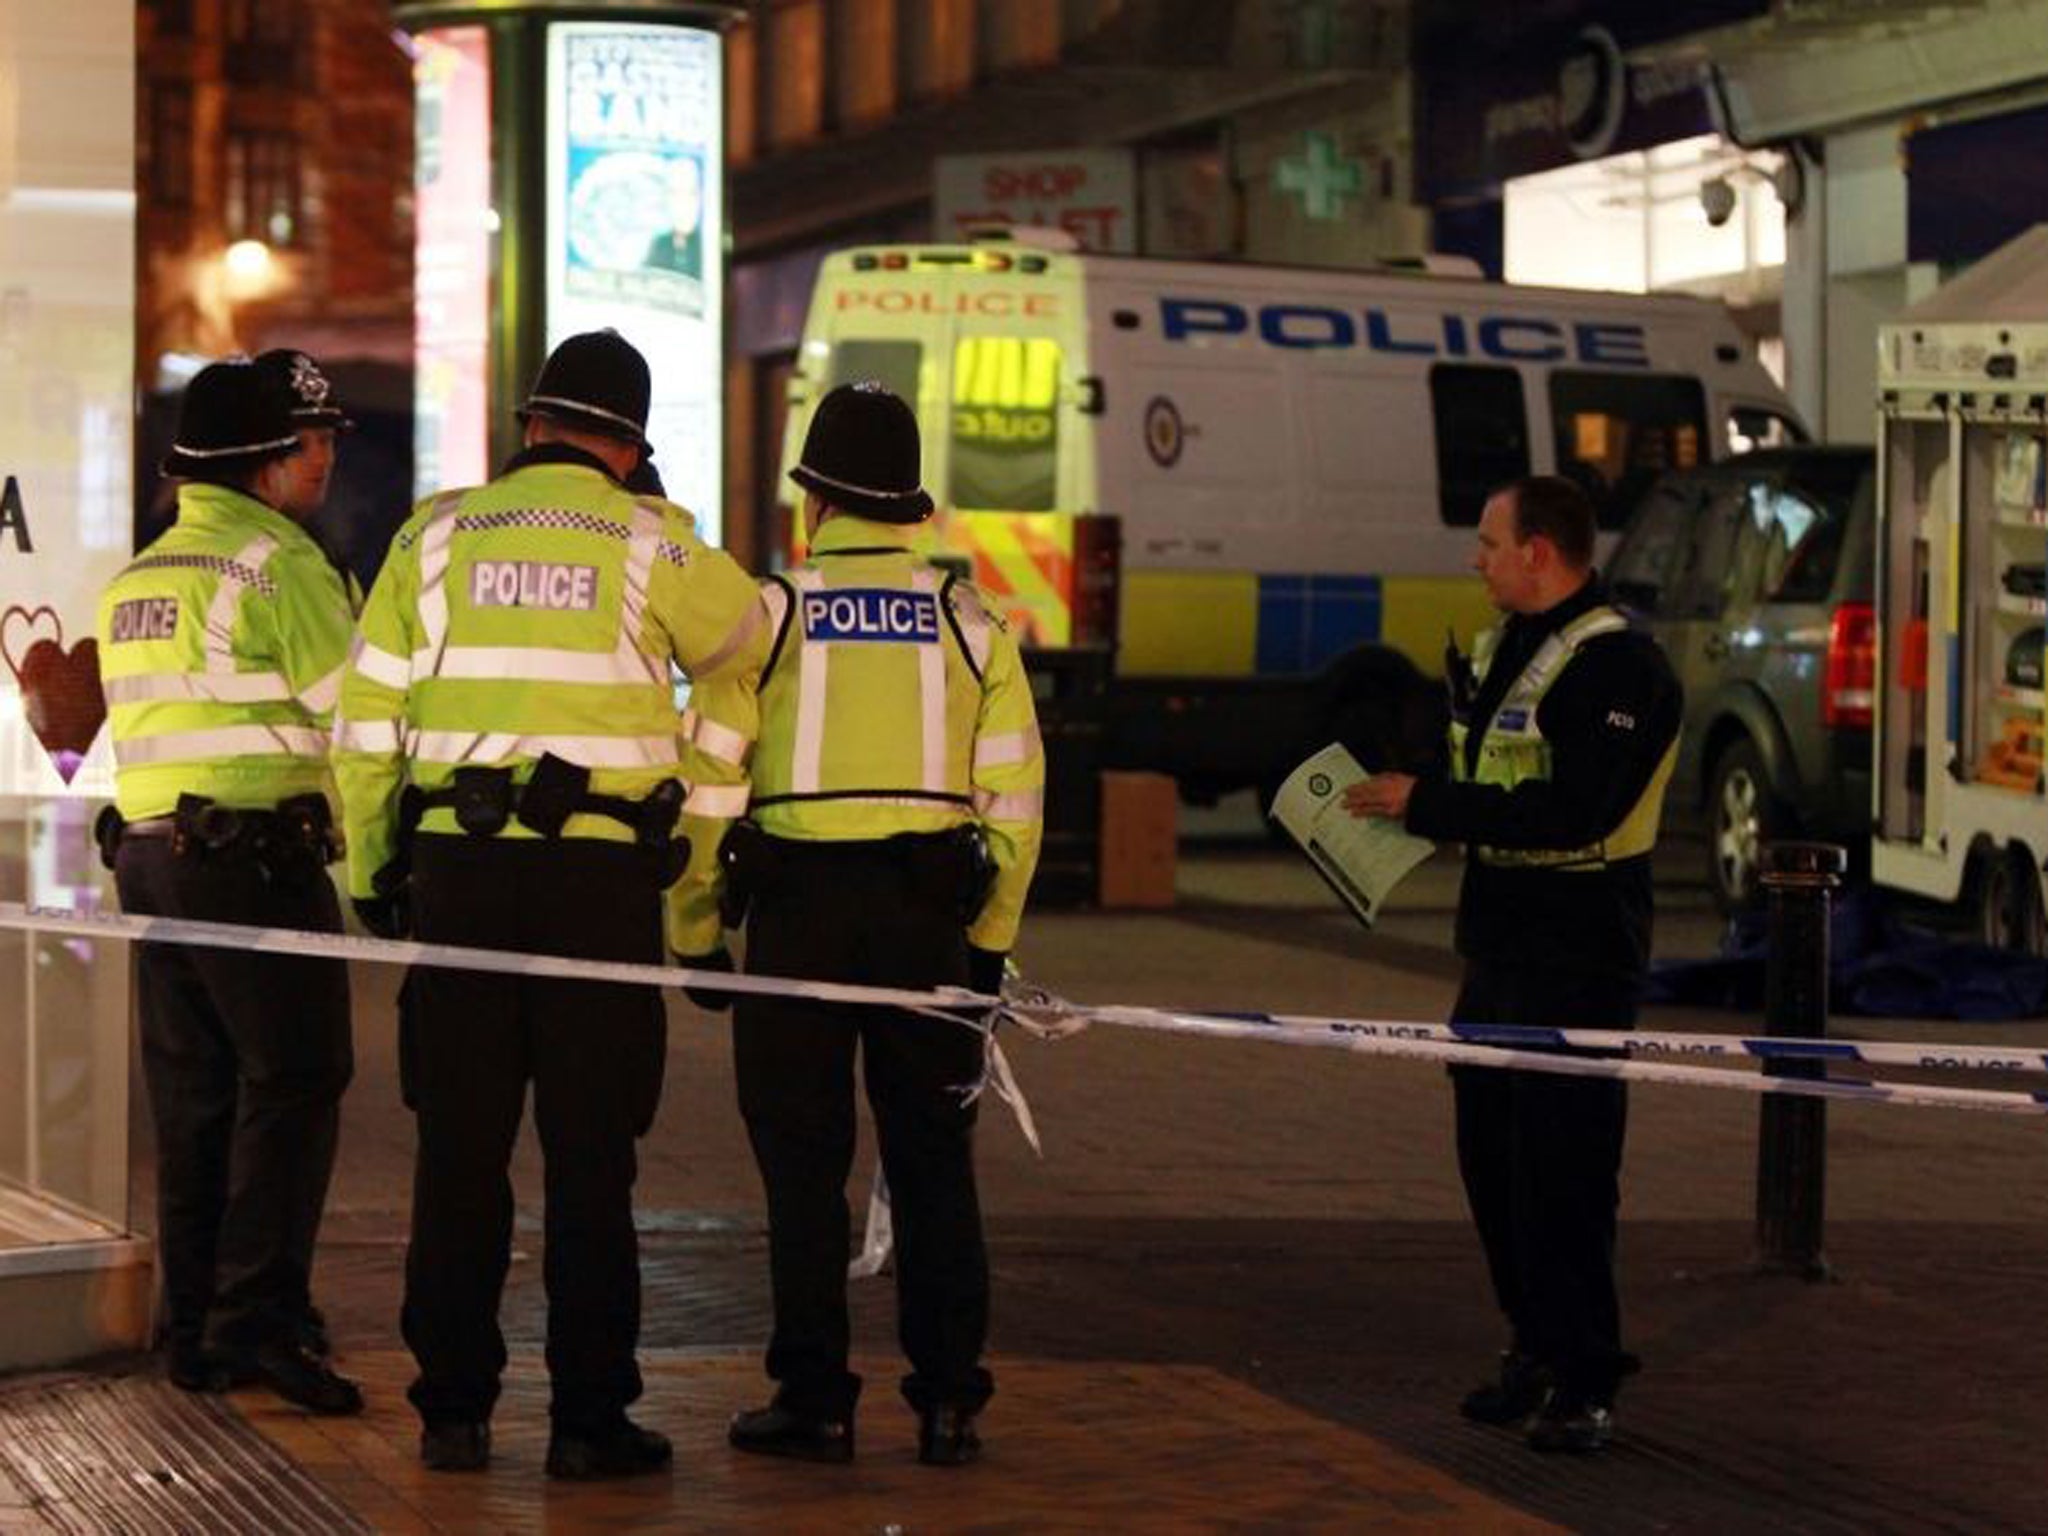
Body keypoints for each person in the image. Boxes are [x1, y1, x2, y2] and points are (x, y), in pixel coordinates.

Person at [331, 329, 764, 1480]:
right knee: (590, 1162)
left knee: (457, 1154)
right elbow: (748, 639)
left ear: (530, 427)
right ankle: (587, 1423)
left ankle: (453, 1415)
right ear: (628, 446)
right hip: (597, 890)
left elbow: (366, 729)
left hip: (458, 879)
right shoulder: (647, 538)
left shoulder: (431, 533)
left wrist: (373, 875)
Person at [681, 381, 1044, 1469]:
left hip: (794, 915)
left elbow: (708, 778)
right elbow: (1017, 794)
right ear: (908, 507)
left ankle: (815, 1402)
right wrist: (989, 940)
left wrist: (695, 927)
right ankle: (946, 1404)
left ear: (814, 500)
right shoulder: (970, 621)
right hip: (930, 914)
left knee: (801, 1170)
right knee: (934, 1161)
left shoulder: (770, 614)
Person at [1344, 474, 1681, 1454]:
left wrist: (1429, 806)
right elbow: (1483, 777)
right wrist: (1392, 808)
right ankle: (1531, 1346)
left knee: (1565, 1171)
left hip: (1579, 948)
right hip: (1496, 942)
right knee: (1491, 1161)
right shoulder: (1504, 648)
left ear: (1539, 550)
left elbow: (1578, 812)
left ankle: (1585, 1375)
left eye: (1488, 541)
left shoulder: (1619, 668)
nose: (1473, 557)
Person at [94, 358, 362, 1415]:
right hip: (254, 858)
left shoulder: (143, 574)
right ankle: (261, 1323)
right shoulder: (281, 565)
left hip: (153, 857)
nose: (327, 457)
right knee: (296, 1080)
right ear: (259, 462)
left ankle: (195, 1327)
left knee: (196, 1095)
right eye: (310, 441)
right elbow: (358, 712)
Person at [250, 347, 362, 608]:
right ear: (258, 452)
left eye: (326, 440)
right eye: (298, 445)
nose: (322, 459)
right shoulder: (255, 560)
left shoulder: (321, 550)